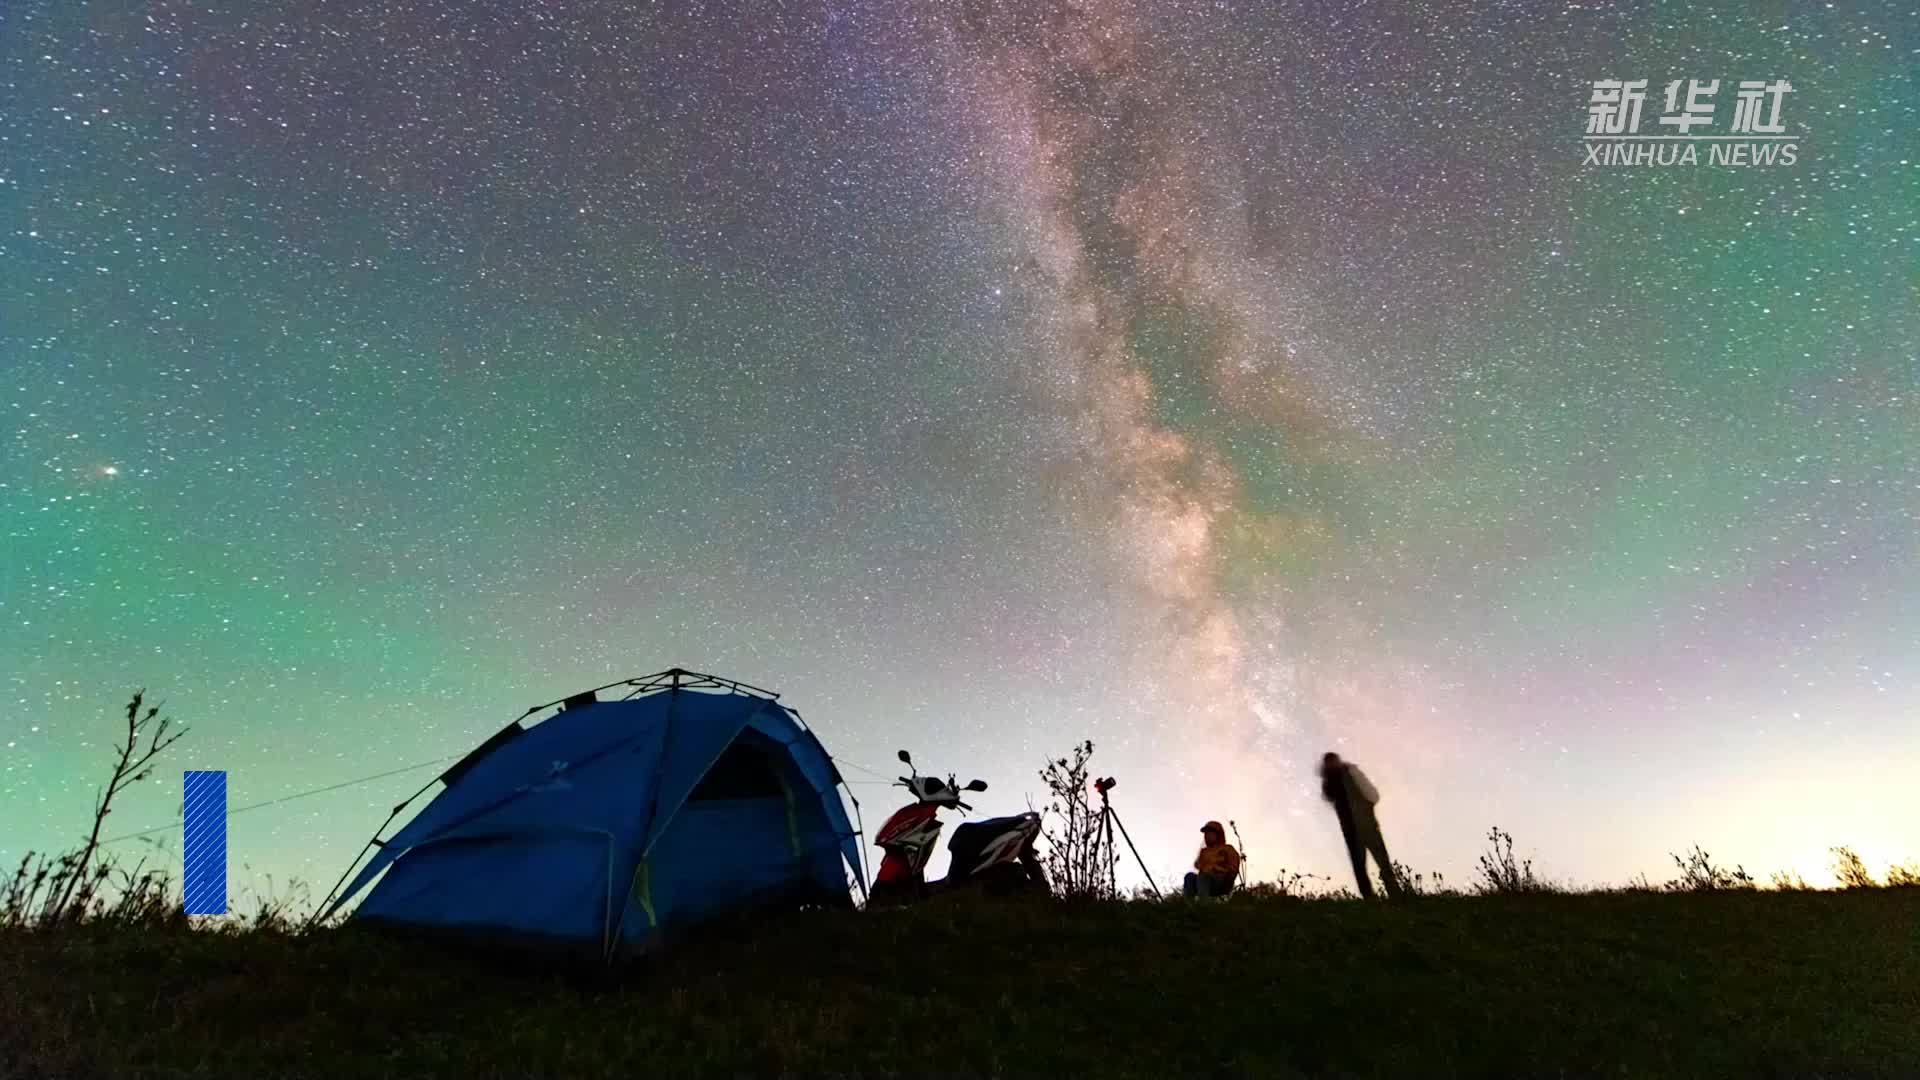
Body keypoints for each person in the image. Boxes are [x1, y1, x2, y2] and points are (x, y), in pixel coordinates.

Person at [1320, 752, 1404, 899]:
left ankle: (1394, 894)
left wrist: (1368, 805)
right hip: (1352, 829)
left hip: (1365, 825)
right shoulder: (1329, 782)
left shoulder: (1349, 772)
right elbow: (1329, 797)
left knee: (1381, 861)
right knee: (1361, 867)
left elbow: (1371, 793)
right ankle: (1371, 898)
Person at [1184, 820, 1241, 898]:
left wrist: (1227, 879)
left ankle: (1203, 905)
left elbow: (1233, 868)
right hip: (1204, 881)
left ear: (1218, 834)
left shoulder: (1227, 849)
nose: (1207, 835)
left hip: (1221, 881)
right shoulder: (1204, 851)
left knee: (1204, 876)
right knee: (1189, 877)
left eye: (1210, 832)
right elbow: (1198, 865)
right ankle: (1189, 906)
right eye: (1206, 833)